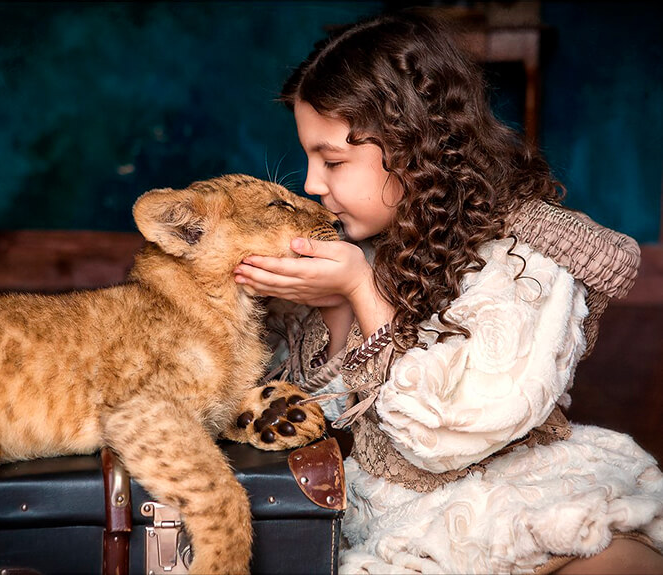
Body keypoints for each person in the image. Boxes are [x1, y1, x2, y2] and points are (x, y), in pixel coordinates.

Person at [233, 8, 663, 574]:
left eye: (332, 160)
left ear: (413, 149)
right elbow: (319, 423)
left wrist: (362, 290)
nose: (312, 185)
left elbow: (449, 430)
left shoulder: (524, 257)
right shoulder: (354, 253)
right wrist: (339, 302)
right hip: (388, 521)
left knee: (616, 561)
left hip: (517, 495)